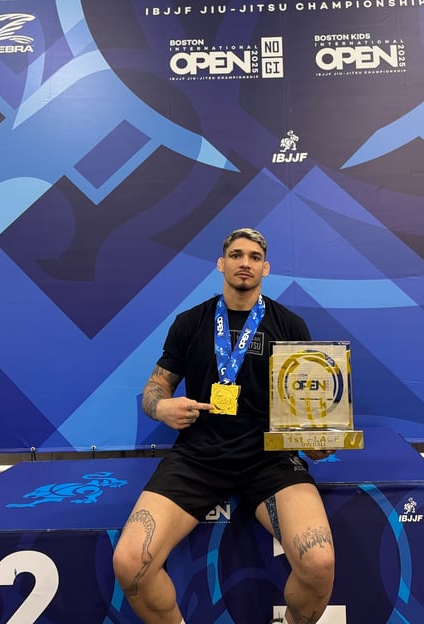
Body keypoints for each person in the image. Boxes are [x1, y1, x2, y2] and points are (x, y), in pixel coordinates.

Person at [113, 228, 335, 624]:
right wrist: (161, 407)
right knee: (130, 563)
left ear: (265, 268)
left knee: (319, 563)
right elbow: (156, 386)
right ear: (221, 264)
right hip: (198, 457)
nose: (244, 263)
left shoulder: (290, 325)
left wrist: (314, 442)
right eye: (236, 255)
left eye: (254, 257)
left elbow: (306, 409)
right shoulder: (190, 322)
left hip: (269, 458)